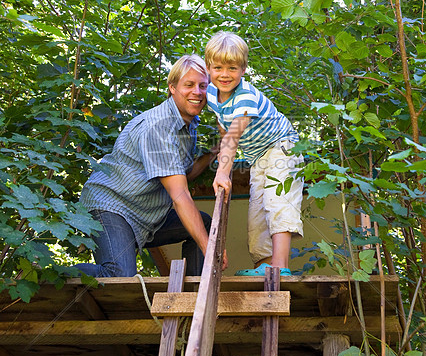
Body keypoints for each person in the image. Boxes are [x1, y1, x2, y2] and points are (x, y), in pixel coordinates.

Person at [77, 54, 227, 278]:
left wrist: (217, 150)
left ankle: (195, 292)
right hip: (111, 205)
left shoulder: (188, 125)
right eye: (189, 85)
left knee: (205, 226)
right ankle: (47, 277)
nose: (197, 92)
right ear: (173, 87)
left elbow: (184, 175)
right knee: (118, 276)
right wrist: (209, 247)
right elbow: (180, 195)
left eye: (203, 86)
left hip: (146, 215)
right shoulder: (159, 127)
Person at [205, 32, 303, 277]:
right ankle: (266, 265)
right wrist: (223, 153)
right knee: (257, 210)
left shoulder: (246, 96)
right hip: (258, 157)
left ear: (244, 68)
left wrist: (223, 172)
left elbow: (234, 135)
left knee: (277, 200)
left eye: (232, 68)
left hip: (282, 147)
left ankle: (280, 266)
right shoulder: (209, 93)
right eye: (218, 67)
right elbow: (224, 126)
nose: (225, 74)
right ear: (208, 68)